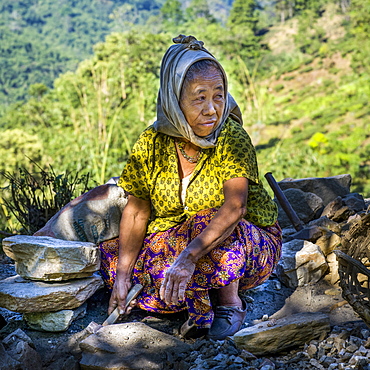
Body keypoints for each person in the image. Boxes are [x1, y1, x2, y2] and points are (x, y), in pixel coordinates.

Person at [99, 35, 282, 340]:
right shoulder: (151, 143)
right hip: (183, 237)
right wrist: (122, 276)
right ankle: (192, 298)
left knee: (207, 222)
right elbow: (136, 211)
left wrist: (186, 259)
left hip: (246, 242)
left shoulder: (231, 137)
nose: (212, 109)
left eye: (219, 95)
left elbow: (236, 207)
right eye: (200, 98)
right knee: (112, 258)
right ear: (175, 98)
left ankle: (228, 303)